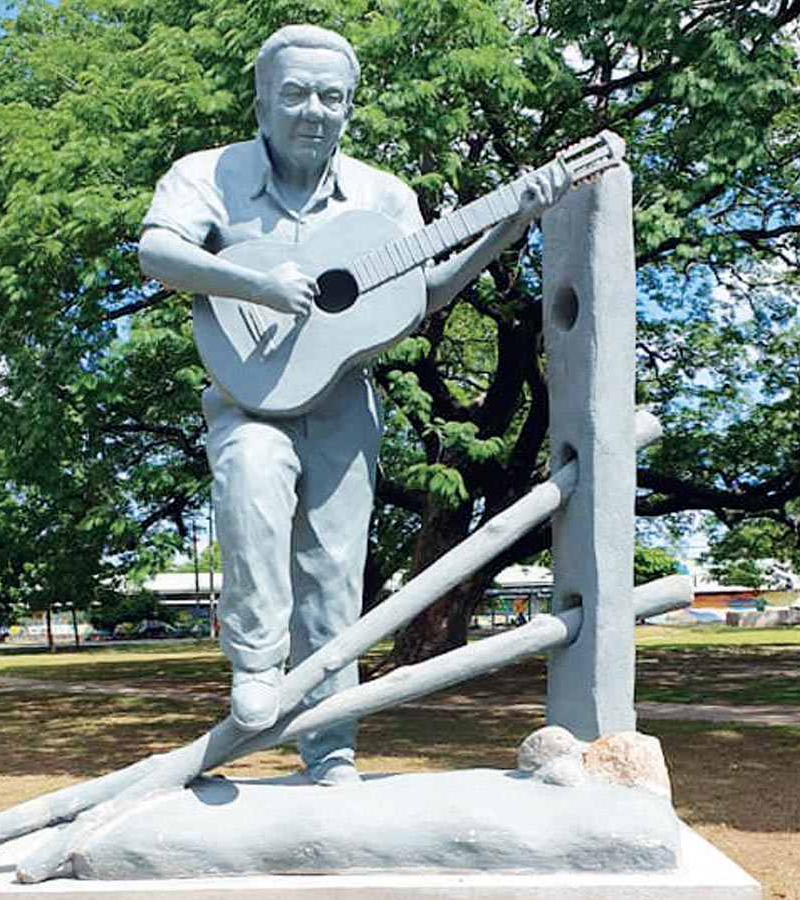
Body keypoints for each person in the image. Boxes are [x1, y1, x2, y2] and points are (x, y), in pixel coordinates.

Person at [138, 24, 566, 786]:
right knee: (251, 482)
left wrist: (510, 223)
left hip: (342, 399)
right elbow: (158, 252)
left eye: (331, 97)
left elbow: (420, 296)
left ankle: (331, 749)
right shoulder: (209, 174)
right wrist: (258, 285)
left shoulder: (384, 196)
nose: (314, 110)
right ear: (262, 99)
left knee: (335, 572)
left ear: (349, 106)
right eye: (296, 93)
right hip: (250, 396)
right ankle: (257, 665)